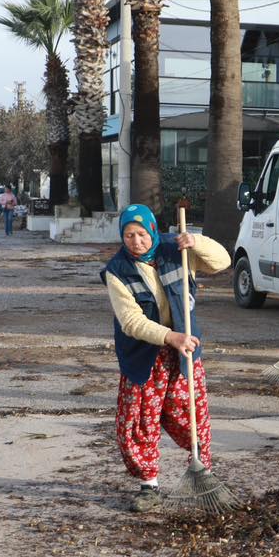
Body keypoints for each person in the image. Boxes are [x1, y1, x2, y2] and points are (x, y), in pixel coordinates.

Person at [102, 204, 232, 512]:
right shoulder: (116, 270)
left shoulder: (176, 250)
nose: (136, 241)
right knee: (139, 421)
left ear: (152, 230)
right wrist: (170, 337)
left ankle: (204, 473)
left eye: (142, 234)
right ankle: (149, 486)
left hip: (184, 350)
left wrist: (196, 242)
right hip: (144, 354)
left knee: (192, 415)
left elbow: (223, 261)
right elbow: (130, 321)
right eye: (129, 235)